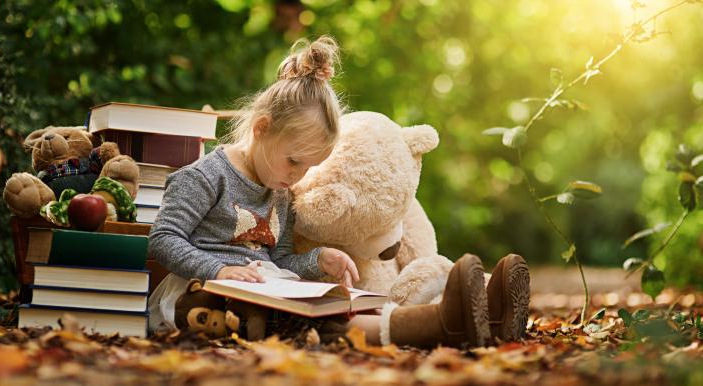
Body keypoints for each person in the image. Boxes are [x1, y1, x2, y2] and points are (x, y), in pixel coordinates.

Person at [147, 36, 530, 348]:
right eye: (294, 162)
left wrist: (318, 260)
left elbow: (279, 260)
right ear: (262, 128)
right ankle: (441, 322)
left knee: (327, 304)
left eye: (308, 169)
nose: (297, 177)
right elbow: (162, 239)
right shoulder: (204, 177)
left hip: (266, 290)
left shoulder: (280, 189)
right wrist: (220, 268)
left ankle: (481, 318)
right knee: (303, 323)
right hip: (207, 295)